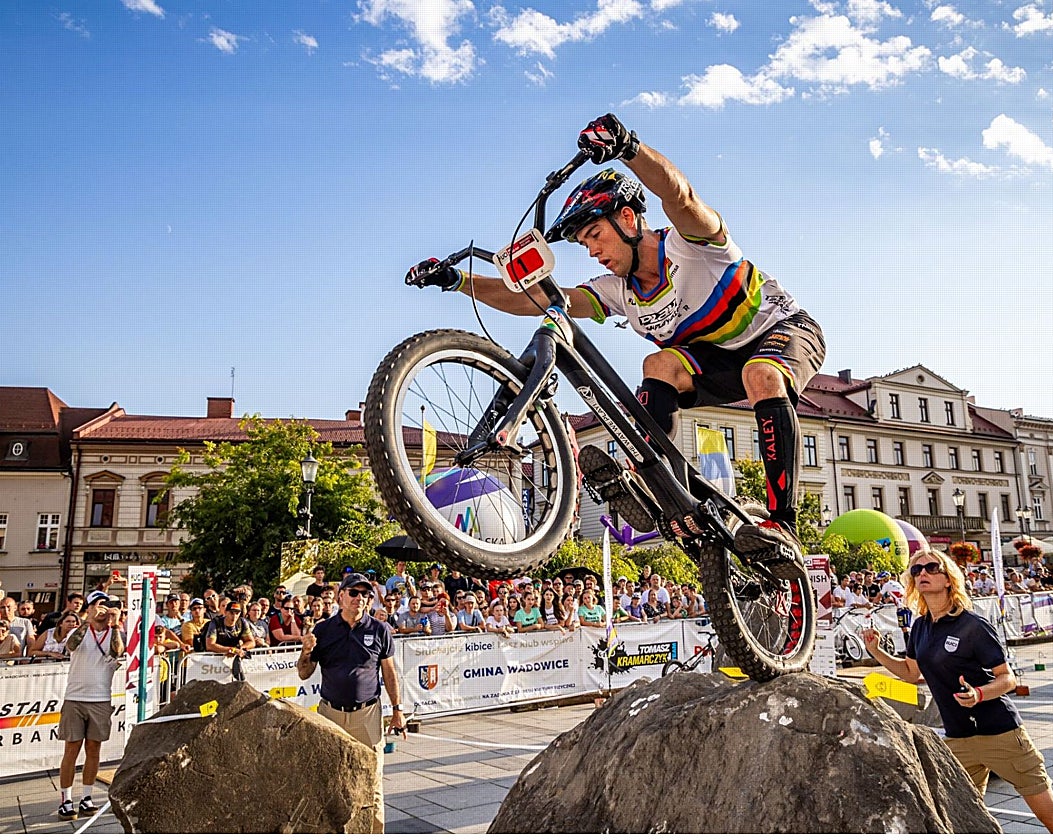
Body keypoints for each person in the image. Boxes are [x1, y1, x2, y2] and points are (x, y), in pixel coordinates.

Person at [406, 113, 825, 564]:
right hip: (718, 365)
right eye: (584, 244)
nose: (592, 252)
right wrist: (457, 280)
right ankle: (660, 487)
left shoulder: (692, 245)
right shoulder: (618, 291)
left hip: (782, 332)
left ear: (628, 218)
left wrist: (627, 147)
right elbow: (536, 300)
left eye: (595, 235)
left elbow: (678, 194)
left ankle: (783, 526)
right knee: (659, 366)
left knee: (761, 373)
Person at [862, 549, 1053, 834]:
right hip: (958, 738)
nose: (923, 573)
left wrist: (978, 694)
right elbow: (912, 674)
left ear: (948, 578)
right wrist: (876, 651)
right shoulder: (920, 627)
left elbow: (1007, 679)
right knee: (961, 821)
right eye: (916, 571)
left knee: (1051, 817)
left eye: (930, 567)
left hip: (1000, 734)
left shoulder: (972, 625)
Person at [297, 573, 405, 835]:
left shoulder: (378, 629)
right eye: (354, 593)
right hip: (330, 713)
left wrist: (398, 710)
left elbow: (389, 673)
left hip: (366, 714)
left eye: (365, 594)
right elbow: (304, 673)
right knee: (331, 782)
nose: (360, 598)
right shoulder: (323, 630)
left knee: (373, 785)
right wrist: (306, 652)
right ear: (340, 596)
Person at [58, 592, 125, 821]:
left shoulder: (114, 632)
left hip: (100, 699)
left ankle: (86, 796)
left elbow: (117, 651)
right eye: (100, 605)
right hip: (75, 698)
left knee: (94, 749)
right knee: (71, 748)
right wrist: (87, 621)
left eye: (108, 606)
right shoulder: (80, 630)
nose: (104, 610)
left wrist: (115, 624)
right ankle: (66, 799)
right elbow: (71, 645)